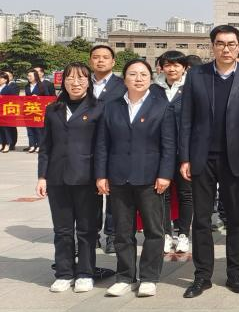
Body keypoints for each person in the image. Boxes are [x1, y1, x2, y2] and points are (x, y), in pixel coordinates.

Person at [179, 25, 239, 298]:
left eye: (231, 44)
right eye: (220, 44)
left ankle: (235, 275)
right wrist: (184, 157)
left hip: (236, 158)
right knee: (201, 219)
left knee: (236, 218)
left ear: (238, 46)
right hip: (202, 157)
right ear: (212, 46)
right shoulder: (196, 75)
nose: (226, 49)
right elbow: (186, 119)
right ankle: (201, 276)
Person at [94, 59, 175, 297]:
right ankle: (125, 276)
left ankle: (149, 277)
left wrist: (165, 174)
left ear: (151, 78)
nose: (138, 79)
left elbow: (169, 145)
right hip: (118, 177)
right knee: (122, 231)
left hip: (150, 178)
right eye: (132, 74)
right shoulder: (111, 107)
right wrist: (101, 175)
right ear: (124, 78)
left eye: (143, 74)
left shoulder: (162, 106)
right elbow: (102, 144)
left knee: (154, 230)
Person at [36, 62, 105, 293]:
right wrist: (42, 176)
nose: (76, 83)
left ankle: (85, 272)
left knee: (87, 229)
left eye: (81, 78)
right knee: (62, 230)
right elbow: (45, 146)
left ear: (89, 81)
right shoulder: (53, 109)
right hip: (57, 178)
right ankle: (64, 273)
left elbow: (102, 146)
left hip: (87, 178)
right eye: (70, 78)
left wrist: (101, 176)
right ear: (63, 82)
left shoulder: (99, 108)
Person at [89, 45, 127, 254]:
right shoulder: (82, 83)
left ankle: (112, 235)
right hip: (87, 146)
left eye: (105, 57)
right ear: (90, 61)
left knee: (114, 194)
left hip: (114, 145)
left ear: (113, 62)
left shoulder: (122, 85)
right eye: (96, 57)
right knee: (90, 194)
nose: (100, 60)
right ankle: (91, 234)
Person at [153, 51, 191, 254]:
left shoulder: (191, 88)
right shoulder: (154, 89)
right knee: (163, 193)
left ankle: (183, 234)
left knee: (186, 193)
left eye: (176, 65)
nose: (172, 69)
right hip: (159, 150)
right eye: (167, 65)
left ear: (184, 68)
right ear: (161, 67)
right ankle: (166, 234)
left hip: (185, 150)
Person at [25, 69, 48, 153]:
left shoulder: (42, 86)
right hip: (29, 110)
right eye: (28, 76)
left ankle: (39, 145)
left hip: (38, 110)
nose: (28, 77)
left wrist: (38, 98)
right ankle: (32, 145)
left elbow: (47, 97)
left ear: (35, 76)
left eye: (30, 76)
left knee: (38, 129)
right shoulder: (27, 86)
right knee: (29, 129)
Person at [0, 72, 19, 153]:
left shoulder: (9, 88)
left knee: (6, 129)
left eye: (0, 78)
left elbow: (14, 99)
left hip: (7, 111)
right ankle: (1, 143)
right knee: (0, 128)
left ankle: (8, 144)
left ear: (5, 80)